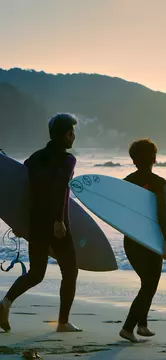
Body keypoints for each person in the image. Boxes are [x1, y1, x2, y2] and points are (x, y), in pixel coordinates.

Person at [0, 113, 82, 333]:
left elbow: (23, 191)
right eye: (72, 132)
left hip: (35, 223)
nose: (74, 136)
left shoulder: (34, 158)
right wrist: (58, 221)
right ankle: (63, 322)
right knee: (70, 272)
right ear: (66, 134)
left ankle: (5, 303)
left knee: (36, 273)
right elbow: (59, 189)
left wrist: (17, 221)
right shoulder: (67, 160)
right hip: (58, 225)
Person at [119, 138, 166, 343]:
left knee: (147, 283)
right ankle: (128, 327)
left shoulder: (125, 182)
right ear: (154, 158)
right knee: (150, 285)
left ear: (133, 160)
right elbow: (162, 213)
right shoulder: (159, 182)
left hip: (131, 239)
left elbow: (120, 214)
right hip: (151, 239)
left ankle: (142, 325)